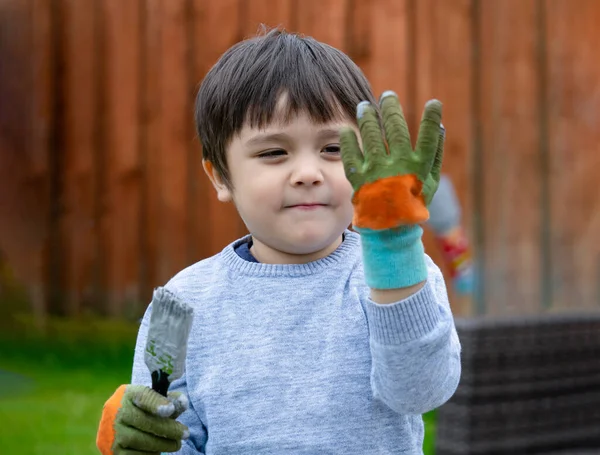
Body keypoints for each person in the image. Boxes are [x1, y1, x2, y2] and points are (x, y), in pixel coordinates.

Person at [96, 28, 461, 455]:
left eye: (332, 148)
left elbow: (421, 391)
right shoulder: (182, 302)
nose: (308, 172)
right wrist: (140, 444)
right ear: (220, 176)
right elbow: (174, 435)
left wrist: (395, 246)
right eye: (273, 153)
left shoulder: (397, 275)